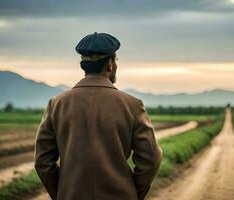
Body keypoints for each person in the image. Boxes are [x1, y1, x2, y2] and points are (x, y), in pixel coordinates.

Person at [34, 32, 163, 200]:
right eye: (116, 60)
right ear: (110, 64)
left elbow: (42, 162)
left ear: (83, 66)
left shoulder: (56, 104)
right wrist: (132, 193)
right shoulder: (133, 105)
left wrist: (62, 194)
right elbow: (151, 159)